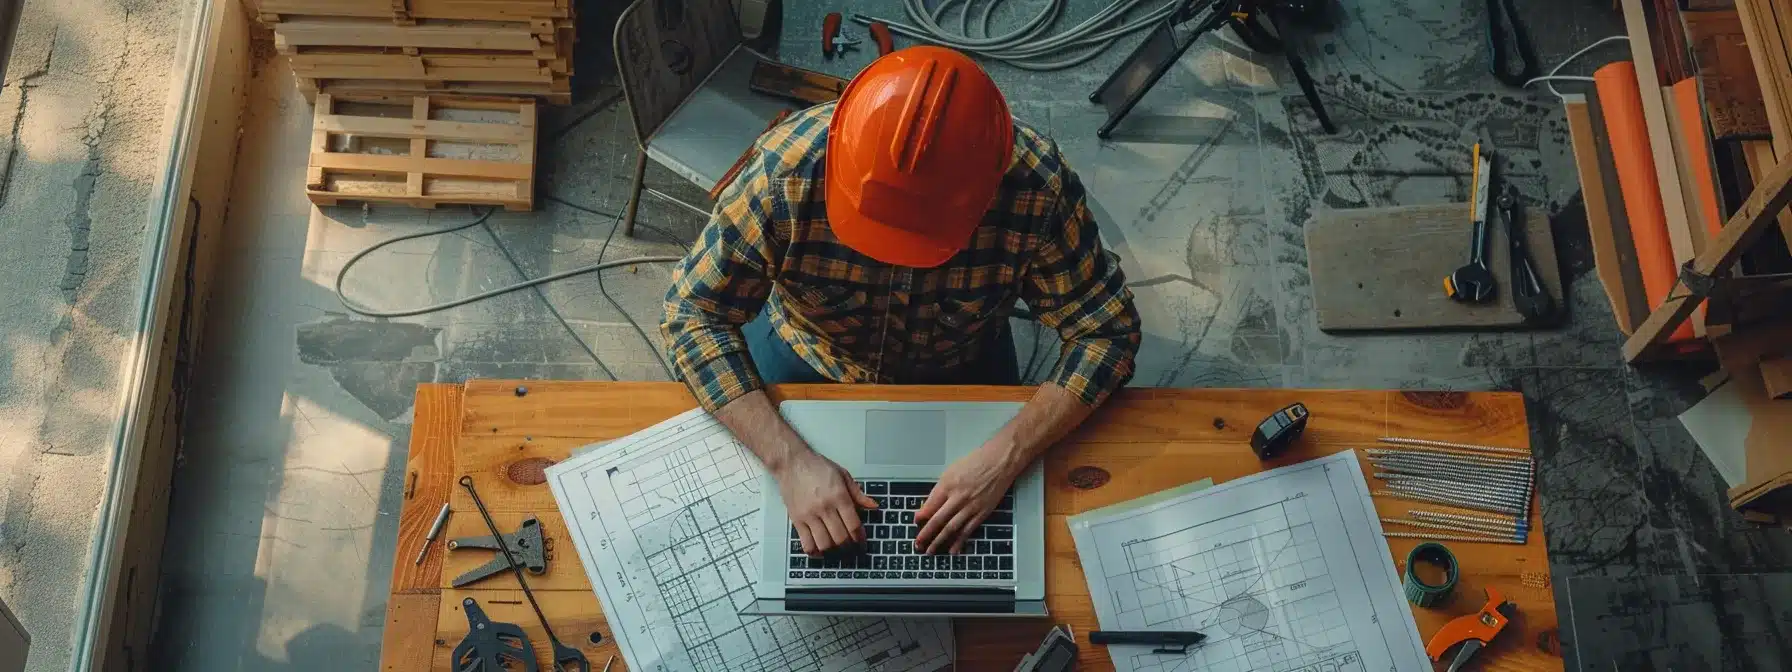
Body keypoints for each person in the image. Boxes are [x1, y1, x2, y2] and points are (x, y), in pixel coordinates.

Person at [660, 46, 1140, 558]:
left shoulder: (1037, 187)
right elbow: (692, 315)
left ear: (989, 186)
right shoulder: (787, 171)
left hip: (965, 367)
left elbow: (1106, 332)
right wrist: (789, 461)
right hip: (805, 355)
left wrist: (1007, 455)